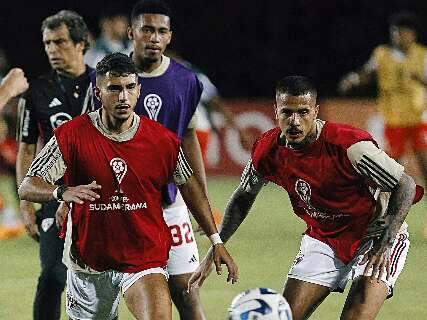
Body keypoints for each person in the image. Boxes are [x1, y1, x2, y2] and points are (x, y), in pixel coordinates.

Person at [18, 52, 238, 320]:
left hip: (143, 258)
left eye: (129, 88)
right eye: (114, 89)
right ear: (98, 93)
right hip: (90, 263)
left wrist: (216, 240)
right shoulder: (71, 135)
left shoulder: (162, 140)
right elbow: (27, 185)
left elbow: (189, 184)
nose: (123, 97)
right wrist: (61, 192)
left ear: (138, 90)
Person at [189, 76, 422, 320]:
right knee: (286, 316)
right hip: (324, 239)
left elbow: (404, 184)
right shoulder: (267, 149)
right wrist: (217, 243)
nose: (295, 122)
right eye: (287, 113)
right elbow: (243, 197)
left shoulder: (349, 146)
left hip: (374, 237)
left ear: (315, 111)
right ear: (276, 111)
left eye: (303, 112)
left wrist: (390, 232)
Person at [82, 1, 212, 318]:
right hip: (119, 206)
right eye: (147, 29)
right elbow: (85, 139)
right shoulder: (105, 78)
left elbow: (188, 137)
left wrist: (202, 199)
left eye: (161, 31)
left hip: (169, 203)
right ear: (132, 33)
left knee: (187, 291)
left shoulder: (186, 81)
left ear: (169, 36)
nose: (154, 37)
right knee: (106, 304)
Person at [15, 10, 93, 320]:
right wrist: (25, 203)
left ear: (80, 44)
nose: (51, 50)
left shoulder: (104, 85)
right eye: (47, 43)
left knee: (102, 280)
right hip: (53, 196)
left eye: (59, 42)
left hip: (98, 197)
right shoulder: (36, 92)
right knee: (53, 276)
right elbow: (25, 149)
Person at [337, 12, 427, 237]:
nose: (399, 37)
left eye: (403, 33)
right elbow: (368, 73)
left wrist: (419, 78)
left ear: (412, 35)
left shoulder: (422, 55)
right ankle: (381, 219)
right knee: (388, 175)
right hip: (394, 122)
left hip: (418, 120)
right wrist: (354, 79)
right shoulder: (382, 54)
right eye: (395, 33)